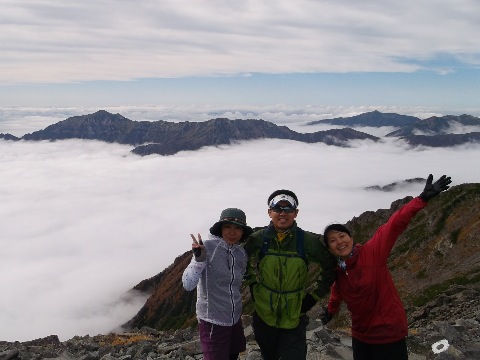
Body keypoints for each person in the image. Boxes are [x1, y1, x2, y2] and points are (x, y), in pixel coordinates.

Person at [321, 174, 452, 360]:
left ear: (351, 237)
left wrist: (422, 199)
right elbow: (337, 293)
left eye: (342, 236)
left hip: (388, 335)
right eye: (333, 241)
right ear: (330, 249)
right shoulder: (340, 272)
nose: (339, 242)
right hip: (360, 336)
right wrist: (330, 311)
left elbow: (394, 224)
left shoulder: (372, 252)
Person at [243, 189, 337, 360]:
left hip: (295, 315)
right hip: (264, 314)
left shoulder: (307, 242)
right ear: (269, 212)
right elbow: (241, 260)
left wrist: (313, 297)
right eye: (278, 208)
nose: (282, 213)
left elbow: (330, 268)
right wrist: (253, 285)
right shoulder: (259, 239)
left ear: (296, 213)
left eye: (288, 209)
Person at [182, 208, 253, 360]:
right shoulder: (207, 247)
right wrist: (199, 260)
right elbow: (188, 284)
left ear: (242, 232)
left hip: (234, 319)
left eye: (237, 228)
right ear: (220, 228)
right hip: (212, 320)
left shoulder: (241, 254)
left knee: (233, 355)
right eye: (227, 226)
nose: (232, 232)